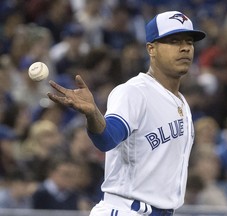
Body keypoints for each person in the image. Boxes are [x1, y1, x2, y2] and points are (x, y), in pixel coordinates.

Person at [47, 11, 206, 216]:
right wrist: (93, 114)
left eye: (189, 42)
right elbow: (107, 139)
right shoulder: (134, 92)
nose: (185, 48)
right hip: (126, 210)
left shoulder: (182, 102)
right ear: (151, 49)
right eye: (174, 41)